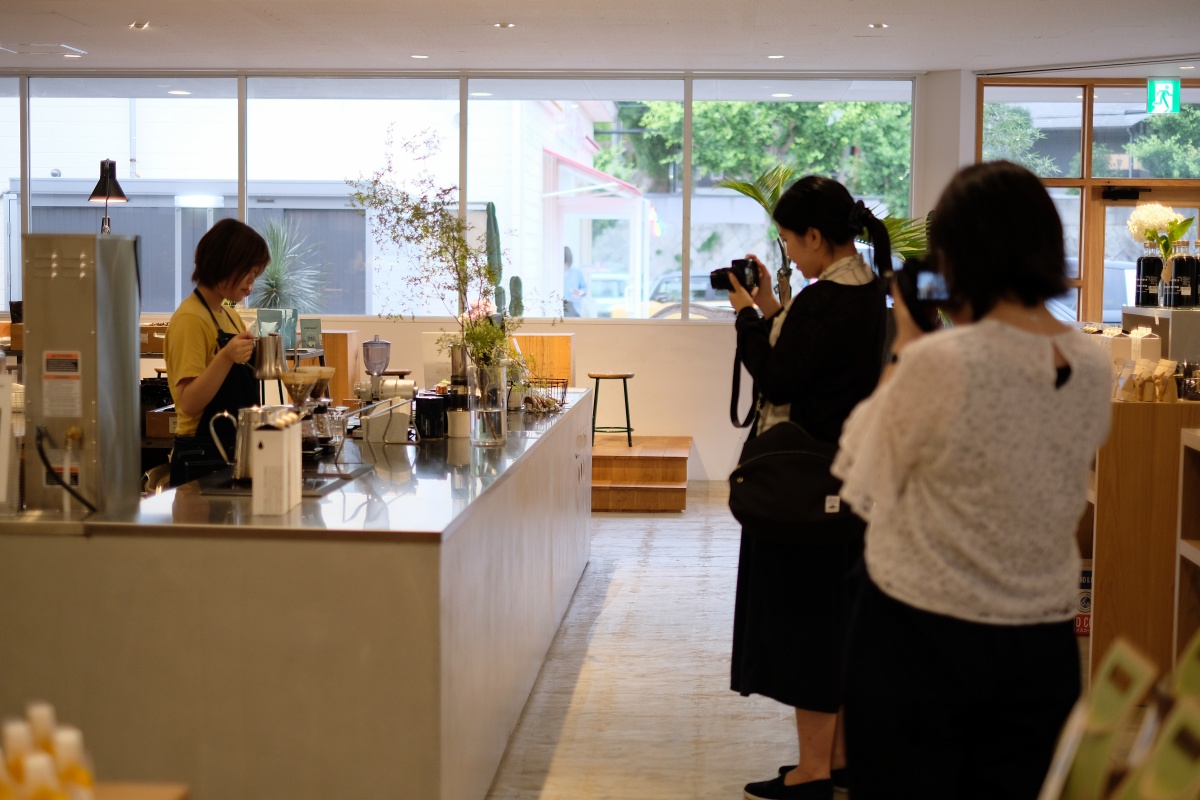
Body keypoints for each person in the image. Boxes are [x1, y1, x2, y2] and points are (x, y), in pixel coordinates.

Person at [832, 160, 1112, 799]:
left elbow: (860, 472)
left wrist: (905, 344)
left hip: (920, 640)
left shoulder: (939, 361)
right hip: (1042, 645)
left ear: (959, 254)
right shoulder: (1091, 363)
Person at [727, 176, 891, 800]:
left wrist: (748, 318)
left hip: (802, 490)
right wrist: (774, 310)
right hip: (845, 484)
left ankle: (813, 772)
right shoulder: (863, 291)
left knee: (804, 628)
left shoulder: (825, 302)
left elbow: (779, 373)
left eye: (791, 241)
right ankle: (841, 761)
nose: (788, 253)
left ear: (817, 236)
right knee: (835, 623)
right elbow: (810, 361)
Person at [164, 219, 270, 486]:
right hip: (201, 456)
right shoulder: (190, 319)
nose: (251, 285)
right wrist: (225, 357)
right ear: (227, 264)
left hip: (235, 450)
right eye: (250, 274)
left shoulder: (230, 316)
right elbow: (188, 403)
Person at [563, 245, 587, 317]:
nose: (565, 266)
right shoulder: (556, 273)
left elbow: (585, 288)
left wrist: (580, 292)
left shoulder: (577, 272)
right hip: (559, 306)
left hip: (574, 307)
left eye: (567, 263)